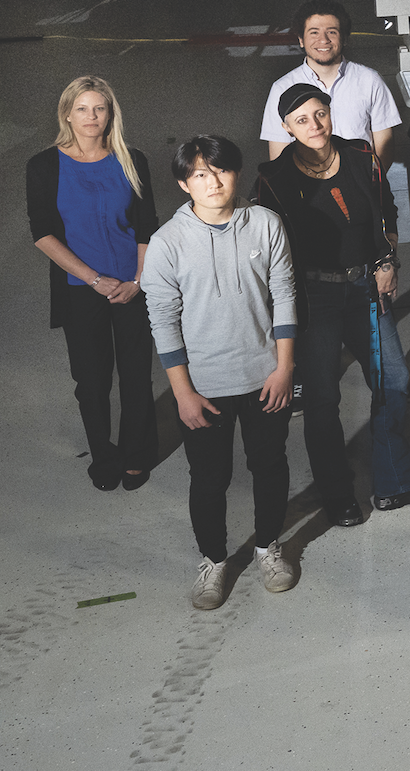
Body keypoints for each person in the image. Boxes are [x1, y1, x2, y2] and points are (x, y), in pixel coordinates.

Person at [255, 84, 410, 525]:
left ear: (331, 113)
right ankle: (337, 494)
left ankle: (393, 483)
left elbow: (387, 214)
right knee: (323, 398)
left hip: (365, 288)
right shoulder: (274, 179)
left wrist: (387, 260)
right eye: (301, 120)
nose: (314, 125)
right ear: (286, 128)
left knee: (394, 380)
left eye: (319, 113)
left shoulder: (361, 157)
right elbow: (269, 252)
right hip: (313, 298)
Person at [144, 136, 298, 610]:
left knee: (269, 466)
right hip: (204, 387)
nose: (212, 182)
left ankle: (268, 545)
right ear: (183, 183)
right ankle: (213, 559)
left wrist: (284, 368)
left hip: (264, 377)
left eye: (220, 171)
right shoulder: (168, 242)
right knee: (209, 478)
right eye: (199, 174)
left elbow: (285, 296)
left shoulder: (266, 224)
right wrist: (183, 394)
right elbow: (162, 320)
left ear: (236, 174)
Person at [28, 75, 160, 491]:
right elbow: (43, 233)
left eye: (99, 108)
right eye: (82, 108)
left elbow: (146, 226)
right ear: (67, 112)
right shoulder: (45, 165)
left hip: (132, 284)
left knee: (137, 373)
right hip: (80, 288)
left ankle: (137, 453)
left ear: (110, 113)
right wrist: (95, 279)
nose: (91, 116)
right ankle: (104, 454)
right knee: (91, 380)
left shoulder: (131, 159)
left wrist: (137, 279)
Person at [259, 0, 401, 167]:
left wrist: (371, 187)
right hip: (309, 188)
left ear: (345, 38)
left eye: (332, 32)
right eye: (314, 32)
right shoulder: (281, 88)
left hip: (363, 184)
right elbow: (278, 158)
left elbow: (384, 146)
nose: (323, 40)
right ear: (301, 40)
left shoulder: (370, 80)